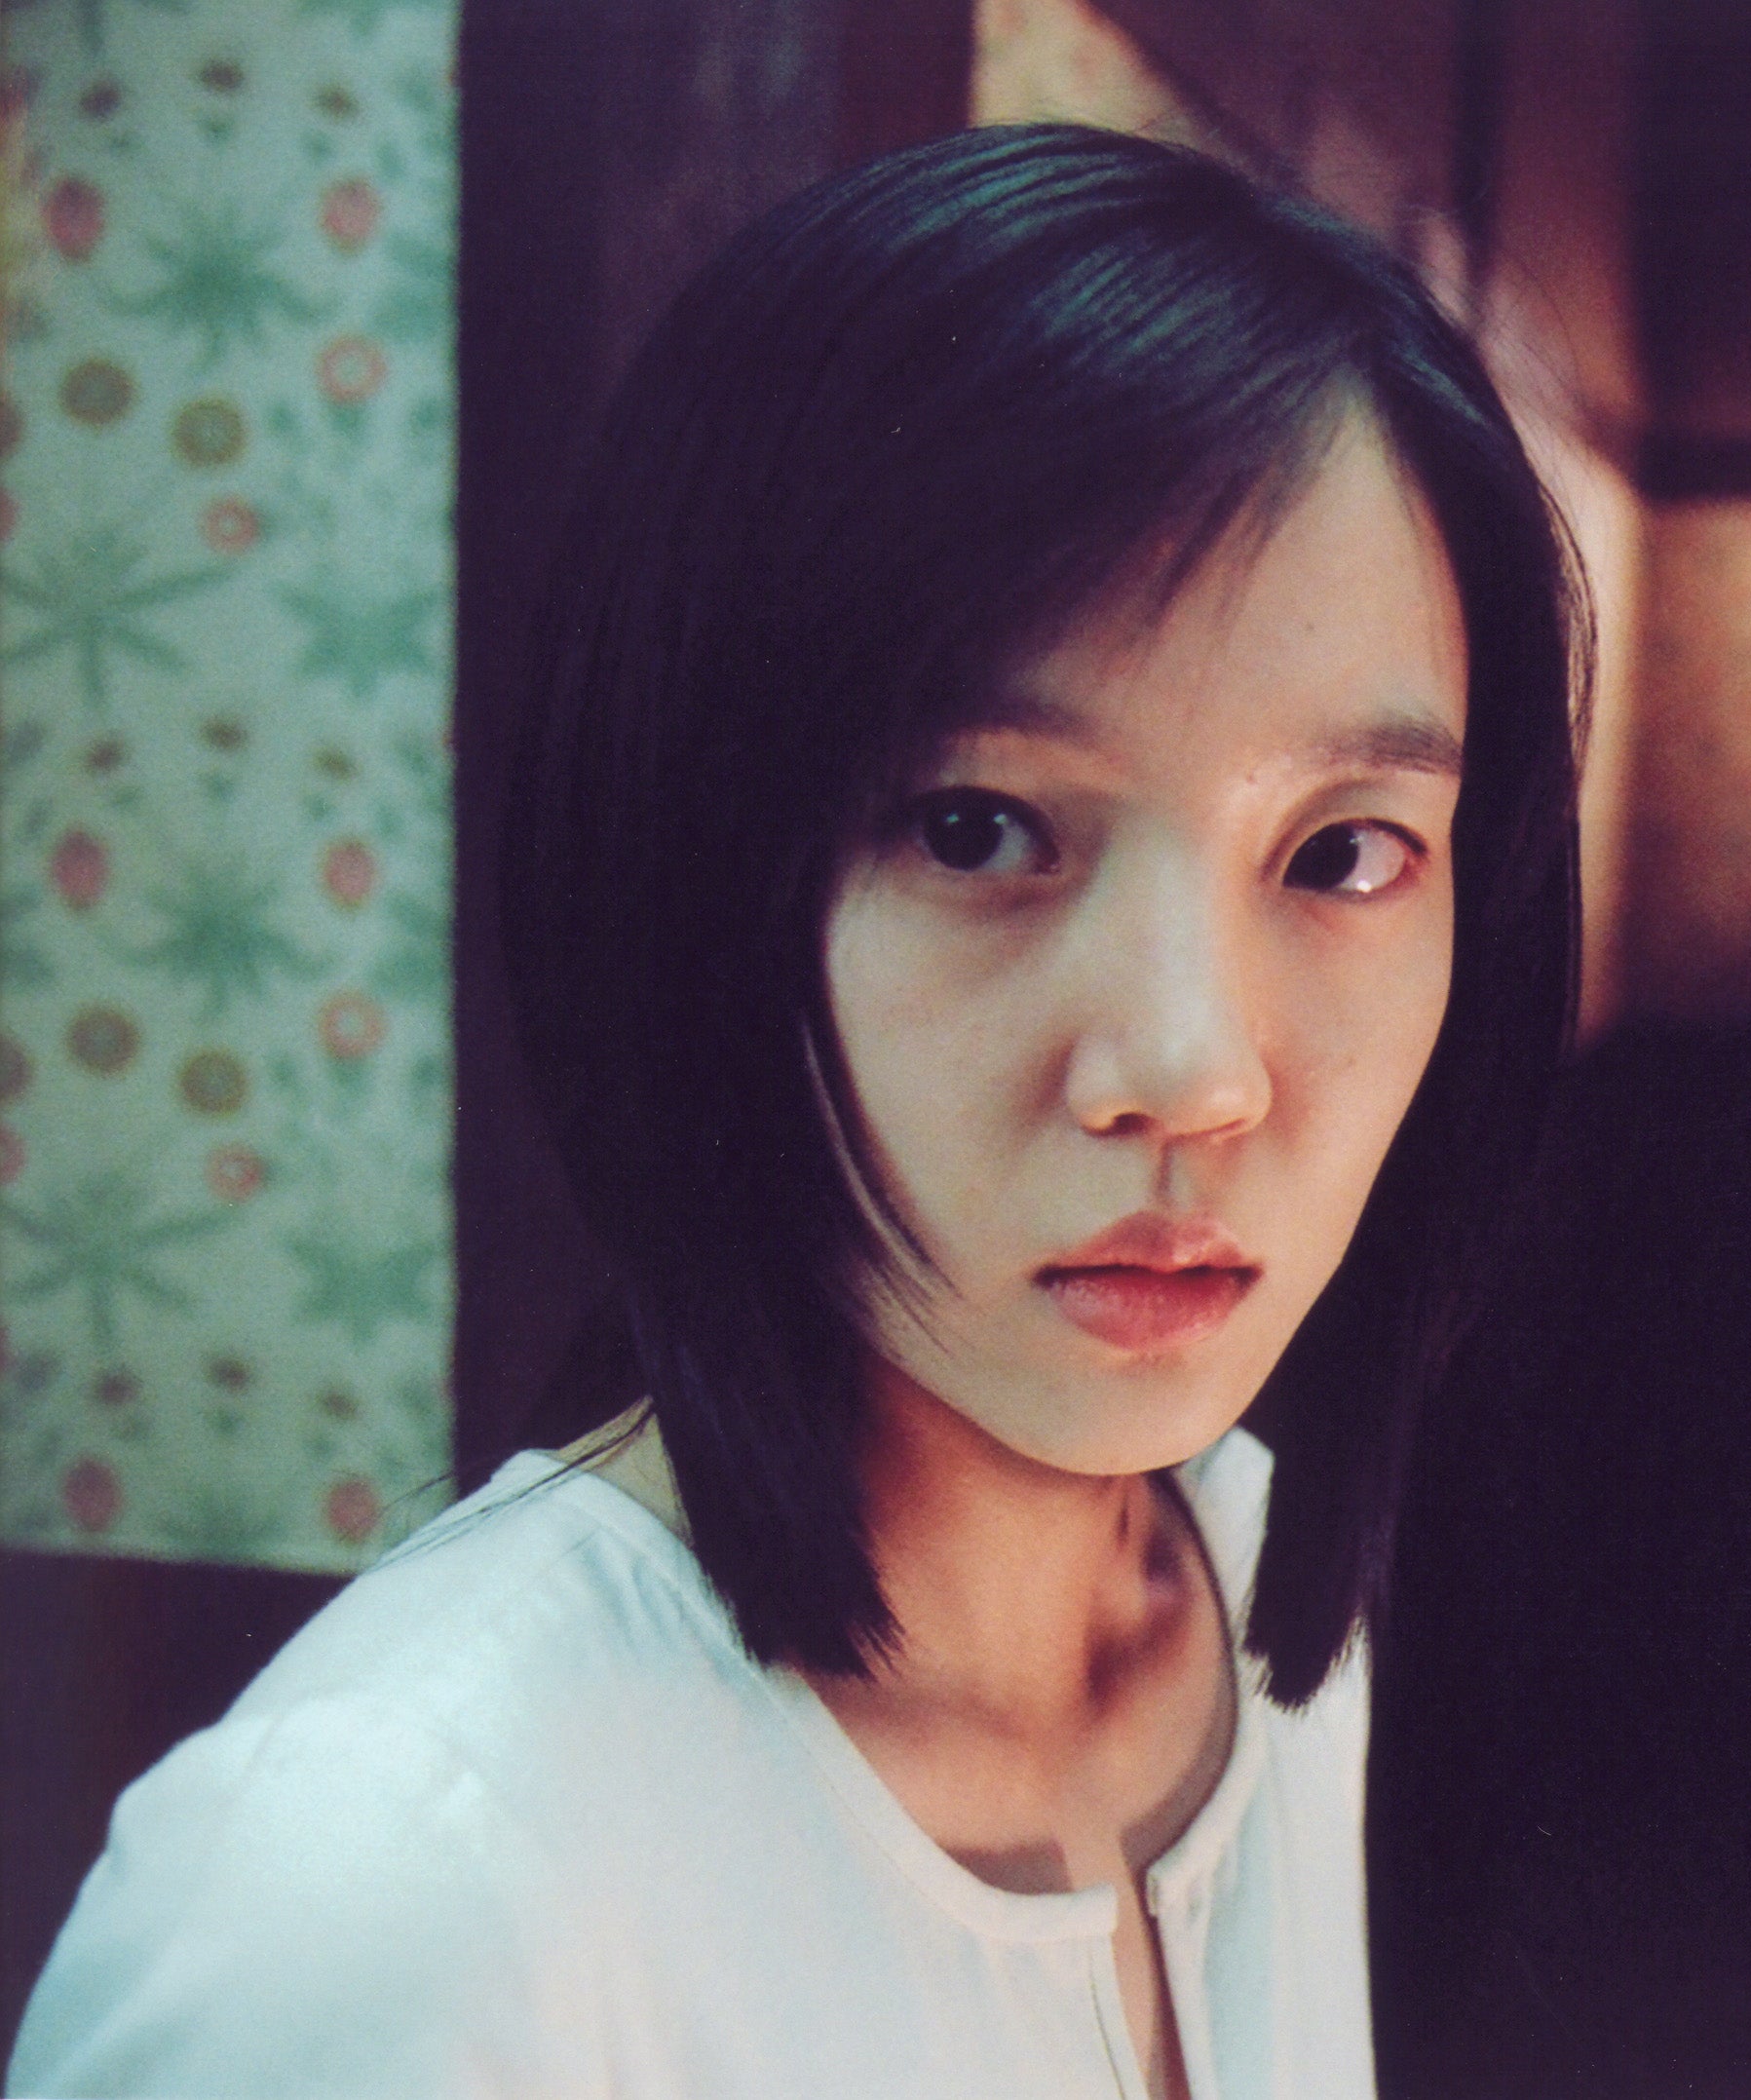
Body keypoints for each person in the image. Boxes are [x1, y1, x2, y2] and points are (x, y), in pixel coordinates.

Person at [10, 124, 1581, 2100]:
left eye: (1345, 853)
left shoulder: (1248, 1582)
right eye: (979, 830)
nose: (1194, 1071)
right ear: (695, 872)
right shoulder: (386, 1890)